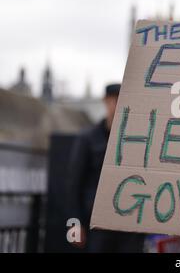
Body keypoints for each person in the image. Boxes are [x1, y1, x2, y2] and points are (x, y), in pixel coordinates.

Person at [66, 84, 145, 253]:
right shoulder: (87, 139)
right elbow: (73, 185)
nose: (120, 105)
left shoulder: (139, 138)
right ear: (106, 102)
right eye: (116, 100)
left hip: (129, 225)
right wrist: (75, 224)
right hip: (96, 225)